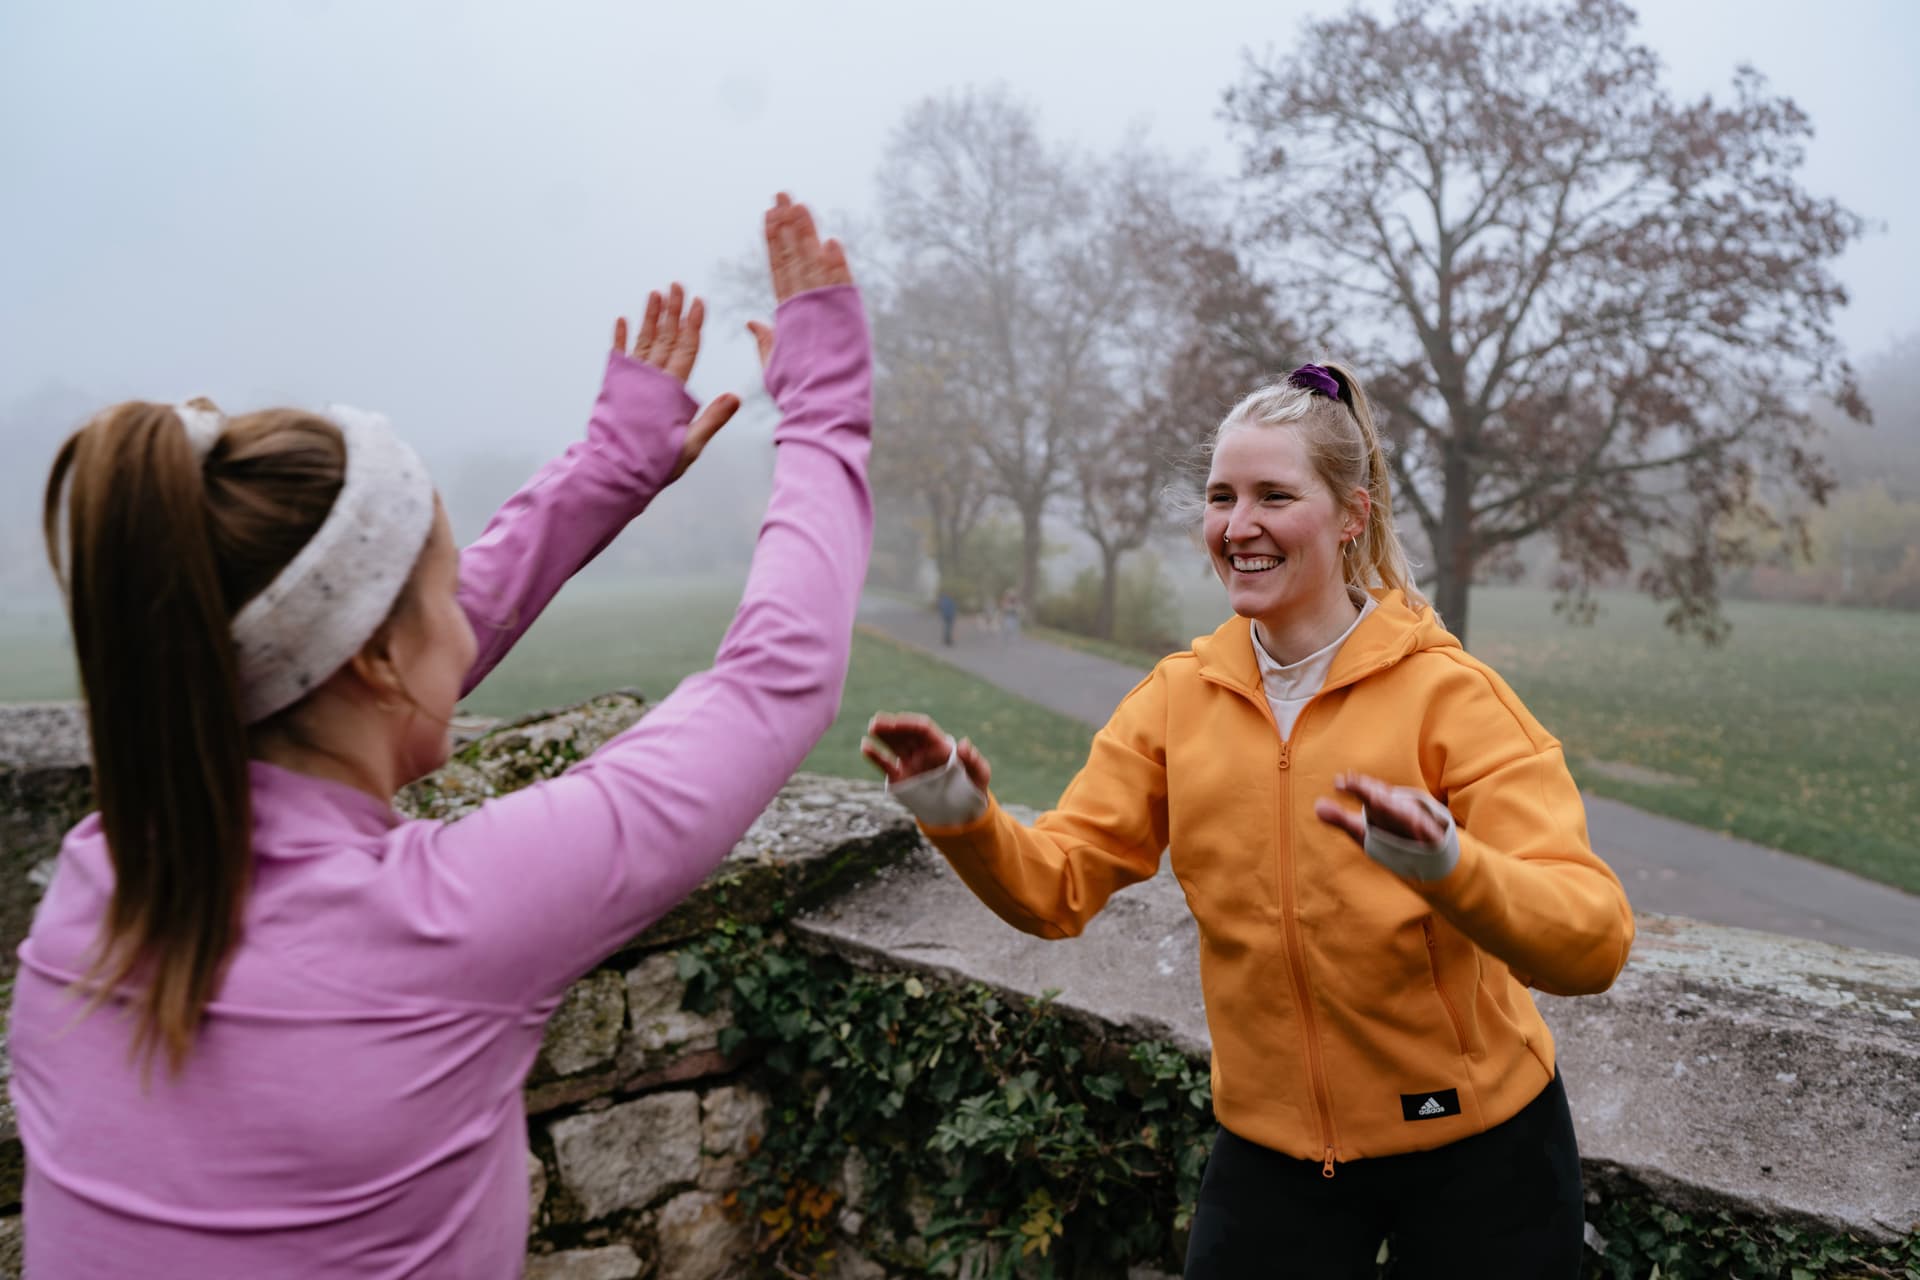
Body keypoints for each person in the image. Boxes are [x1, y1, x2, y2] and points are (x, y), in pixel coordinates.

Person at [12, 194, 871, 1278]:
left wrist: (609, 467)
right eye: (443, 598)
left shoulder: (92, 891)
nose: (468, 620)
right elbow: (776, 680)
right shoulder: (441, 925)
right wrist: (828, 404)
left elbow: (317, 653)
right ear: (372, 661)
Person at [863, 362, 1633, 1278]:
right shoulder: (1177, 700)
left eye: (1274, 494)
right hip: (1275, 1152)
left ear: (1353, 514)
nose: (1238, 526)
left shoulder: (1454, 699)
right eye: (1221, 497)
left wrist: (1450, 868)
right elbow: (1055, 889)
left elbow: (1593, 943)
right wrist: (956, 807)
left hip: (1480, 1149)